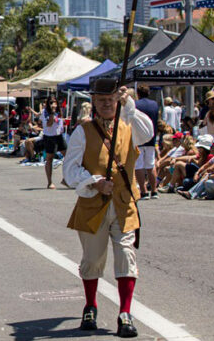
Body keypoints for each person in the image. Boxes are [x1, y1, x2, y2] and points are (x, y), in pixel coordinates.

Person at [61, 78, 152, 338]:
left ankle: (125, 313)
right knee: (92, 259)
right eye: (101, 100)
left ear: (117, 100)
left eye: (111, 100)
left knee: (126, 255)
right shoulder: (83, 131)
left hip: (124, 204)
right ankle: (90, 305)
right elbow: (70, 169)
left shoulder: (129, 123)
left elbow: (148, 134)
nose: (106, 104)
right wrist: (95, 182)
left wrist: (129, 104)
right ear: (94, 102)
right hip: (93, 203)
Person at [133, 85, 160, 200]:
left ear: (138, 93)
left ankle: (143, 191)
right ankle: (154, 190)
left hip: (139, 138)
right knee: (150, 165)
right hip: (151, 137)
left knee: (139, 165)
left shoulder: (136, 104)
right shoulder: (154, 104)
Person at [41, 97, 66, 189]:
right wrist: (52, 112)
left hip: (59, 135)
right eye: (51, 102)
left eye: (55, 102)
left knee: (68, 156)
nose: (53, 104)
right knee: (50, 159)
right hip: (49, 136)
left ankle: (66, 178)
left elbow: (60, 121)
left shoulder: (59, 111)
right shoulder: (45, 112)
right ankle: (50, 182)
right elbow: (49, 124)